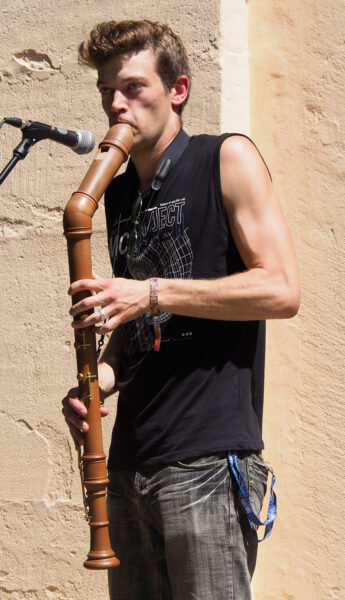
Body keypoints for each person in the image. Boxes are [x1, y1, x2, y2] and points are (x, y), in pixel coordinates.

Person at [62, 19, 300, 600]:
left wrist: (148, 293)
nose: (116, 104)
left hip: (207, 461)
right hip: (128, 463)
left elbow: (281, 290)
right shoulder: (117, 194)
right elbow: (140, 334)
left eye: (133, 87)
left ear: (178, 90)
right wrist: (101, 383)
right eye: (105, 92)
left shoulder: (227, 157)